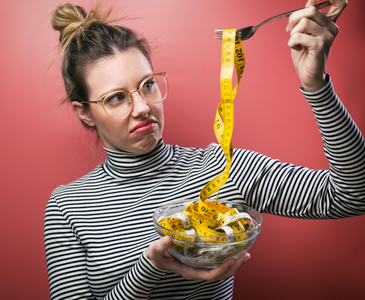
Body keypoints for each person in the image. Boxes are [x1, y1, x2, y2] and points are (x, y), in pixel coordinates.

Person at [44, 0, 364, 299]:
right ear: (84, 112)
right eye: (116, 97)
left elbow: (355, 195)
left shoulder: (223, 167)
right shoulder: (65, 207)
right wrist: (151, 267)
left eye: (148, 85)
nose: (142, 107)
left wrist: (317, 85)